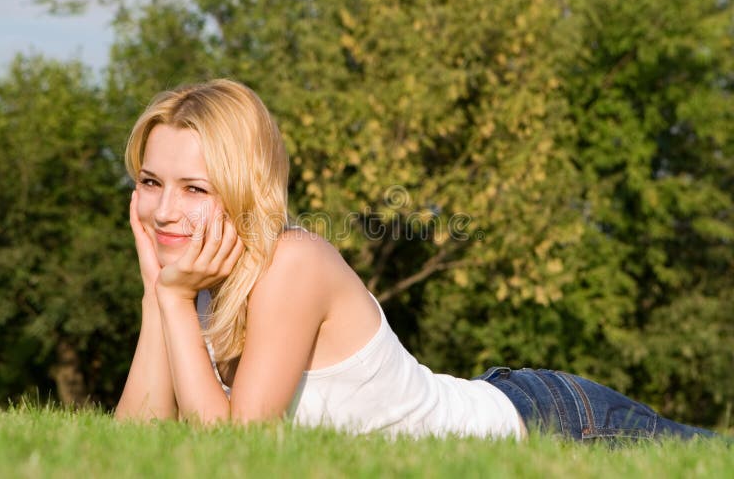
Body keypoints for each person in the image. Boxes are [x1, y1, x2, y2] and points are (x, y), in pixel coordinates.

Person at [114, 79, 721, 442]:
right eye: (150, 181)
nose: (165, 210)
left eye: (195, 187)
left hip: (555, 425)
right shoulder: (194, 280)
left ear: (245, 186)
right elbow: (133, 444)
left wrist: (170, 299)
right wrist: (155, 296)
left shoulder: (290, 263)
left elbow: (231, 450)